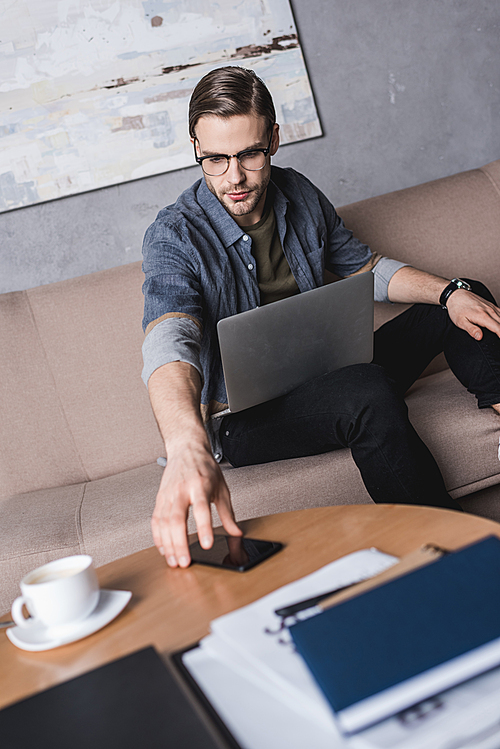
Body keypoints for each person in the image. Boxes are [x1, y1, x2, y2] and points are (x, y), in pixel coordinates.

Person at [142, 66, 500, 569]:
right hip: (243, 418)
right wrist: (185, 443)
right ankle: (457, 560)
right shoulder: (174, 235)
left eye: (249, 154)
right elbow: (169, 338)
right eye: (214, 160)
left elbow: (365, 269)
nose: (235, 177)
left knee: (466, 297)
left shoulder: (297, 192)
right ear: (196, 150)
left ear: (273, 139)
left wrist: (448, 291)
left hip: (328, 373)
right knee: (366, 390)